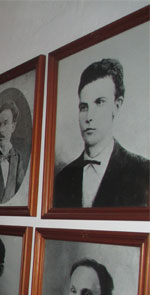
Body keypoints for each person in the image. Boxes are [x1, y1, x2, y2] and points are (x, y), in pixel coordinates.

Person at [54, 58, 149, 208]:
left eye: (99, 102)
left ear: (116, 106)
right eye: (84, 107)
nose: (89, 117)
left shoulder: (143, 172)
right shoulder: (62, 179)